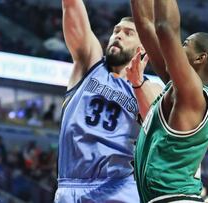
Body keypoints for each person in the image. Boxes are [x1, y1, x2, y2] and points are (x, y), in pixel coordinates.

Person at [55, 0, 161, 202]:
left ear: (143, 48)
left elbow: (158, 129)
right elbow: (71, 5)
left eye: (128, 33)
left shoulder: (151, 88)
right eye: (116, 31)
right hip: (70, 185)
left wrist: (138, 84)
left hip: (119, 187)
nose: (118, 35)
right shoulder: (90, 64)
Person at [129, 0, 208, 202]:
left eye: (184, 44)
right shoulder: (176, 87)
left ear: (200, 59)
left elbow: (164, 28)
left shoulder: (192, 94)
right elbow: (146, 24)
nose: (177, 48)